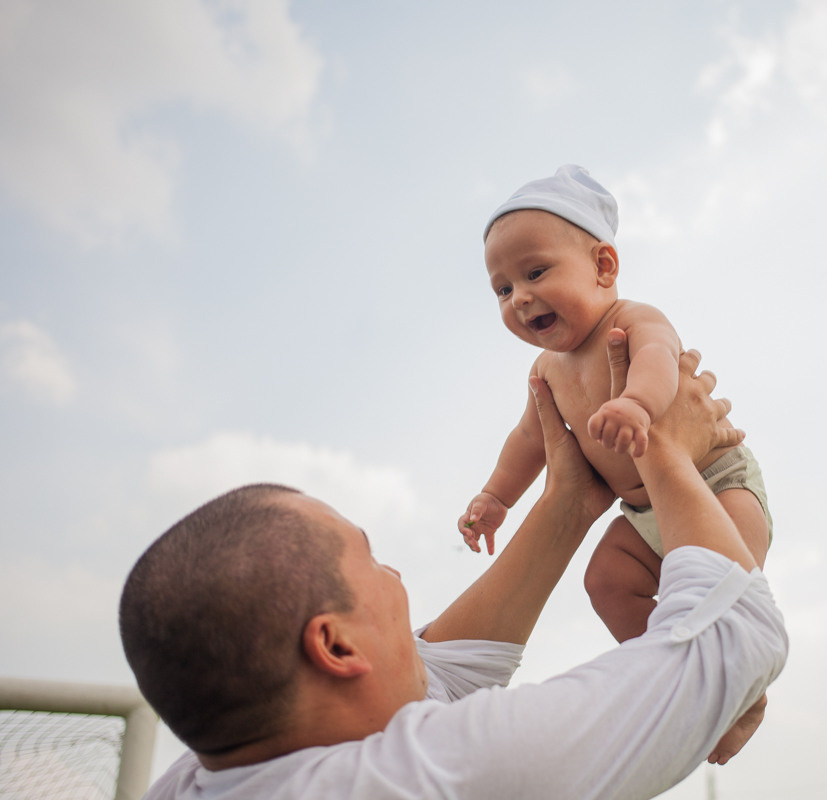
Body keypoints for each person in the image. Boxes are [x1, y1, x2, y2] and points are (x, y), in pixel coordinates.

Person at [119, 337, 788, 800]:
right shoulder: (438, 778)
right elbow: (735, 636)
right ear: (335, 644)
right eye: (373, 562)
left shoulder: (202, 778)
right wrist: (666, 451)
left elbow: (434, 674)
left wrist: (570, 502)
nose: (399, 580)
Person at [458, 165, 773, 763]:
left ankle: (741, 682)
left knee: (725, 593)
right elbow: (529, 438)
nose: (519, 297)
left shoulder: (631, 320)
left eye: (535, 272)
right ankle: (683, 691)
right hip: (641, 509)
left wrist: (635, 402)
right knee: (603, 582)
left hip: (715, 483)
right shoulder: (546, 371)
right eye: (502, 289)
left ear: (603, 266)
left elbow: (659, 359)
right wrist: (496, 496)